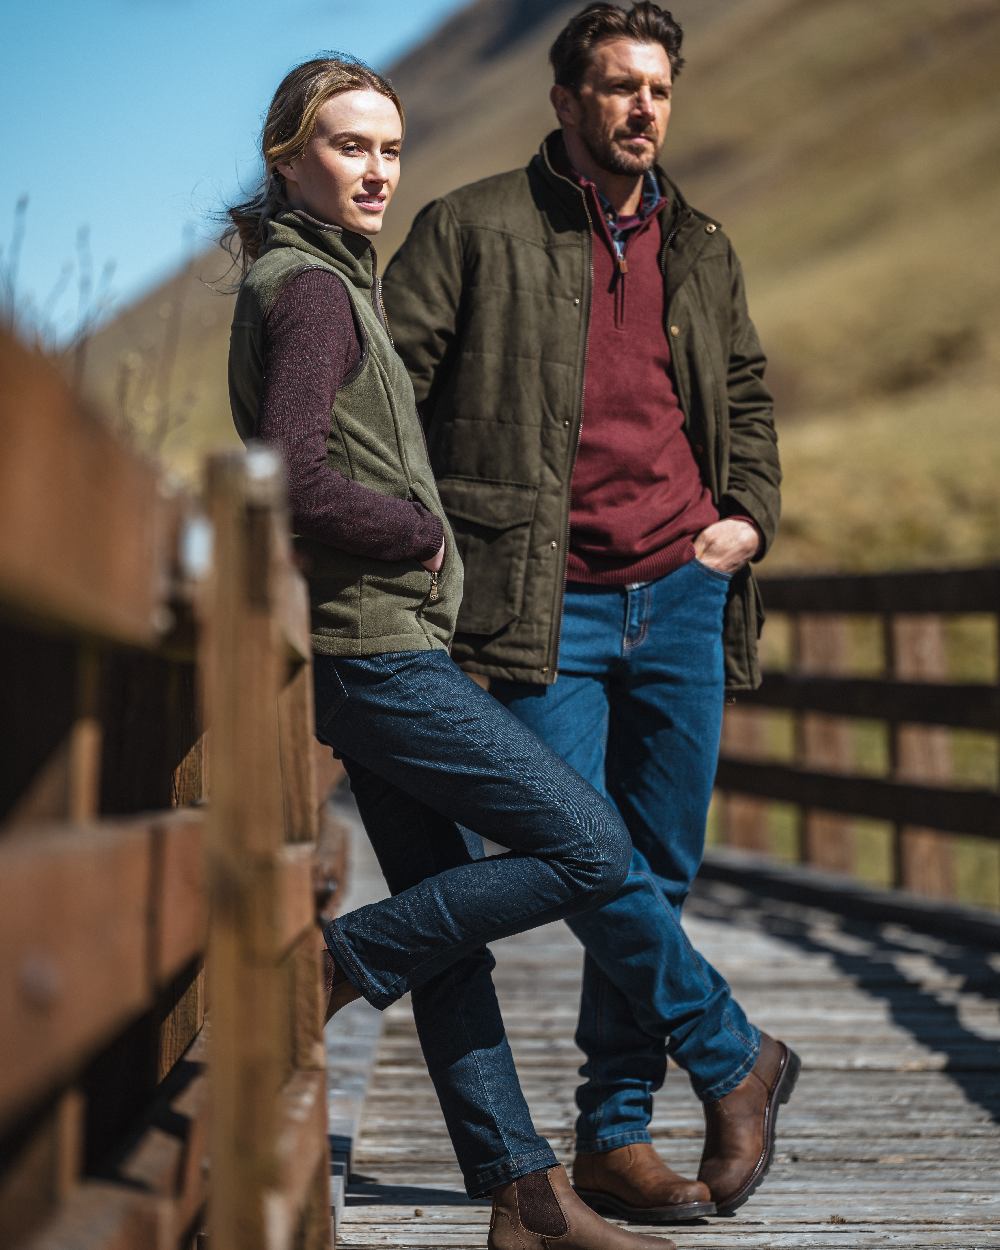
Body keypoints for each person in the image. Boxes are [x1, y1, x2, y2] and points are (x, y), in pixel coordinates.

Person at [225, 54, 680, 1250]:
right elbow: (293, 474)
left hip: (369, 644)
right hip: (377, 653)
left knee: (452, 923)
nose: (375, 169)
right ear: (289, 157)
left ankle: (524, 1195)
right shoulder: (313, 290)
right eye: (346, 146)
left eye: (387, 147)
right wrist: (417, 528)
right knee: (589, 841)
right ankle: (335, 959)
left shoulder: (318, 274)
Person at [382, 1, 797, 1224]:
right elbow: (388, 403)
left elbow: (750, 398)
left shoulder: (703, 242)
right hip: (537, 603)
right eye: (617, 87)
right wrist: (424, 544)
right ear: (564, 100)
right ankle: (733, 1055)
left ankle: (615, 1136)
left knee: (655, 870)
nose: (641, 109)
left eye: (657, 89)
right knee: (580, 855)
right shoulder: (468, 230)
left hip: (680, 593)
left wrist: (751, 518)